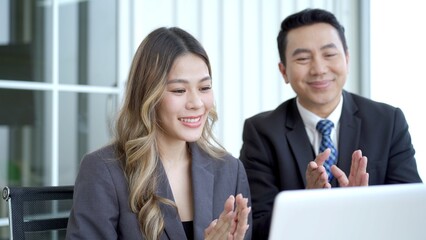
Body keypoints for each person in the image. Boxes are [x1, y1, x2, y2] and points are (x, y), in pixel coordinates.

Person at [239, 8, 422, 239]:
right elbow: (255, 229)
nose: (319, 69)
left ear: (346, 58)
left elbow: (411, 216)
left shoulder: (388, 121)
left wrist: (360, 206)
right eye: (303, 58)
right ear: (283, 71)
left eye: (329, 54)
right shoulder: (262, 132)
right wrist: (307, 202)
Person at [66, 27, 251, 240]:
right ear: (148, 96)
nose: (197, 103)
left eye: (204, 87)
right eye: (179, 91)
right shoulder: (104, 171)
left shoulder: (229, 170)